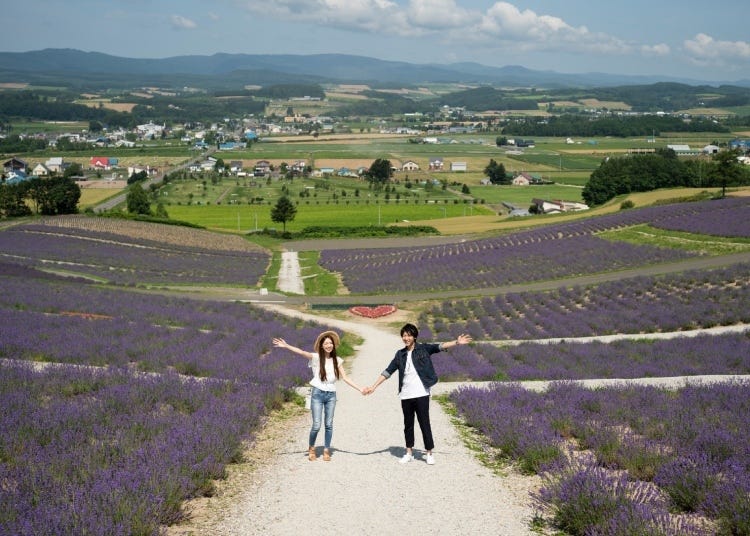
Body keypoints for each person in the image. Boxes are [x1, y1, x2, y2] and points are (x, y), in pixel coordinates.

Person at [364, 323, 472, 465]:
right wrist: (373, 386)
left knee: (424, 423)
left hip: (421, 393)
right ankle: (409, 452)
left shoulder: (424, 349)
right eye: (404, 335)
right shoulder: (400, 354)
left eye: (409, 335)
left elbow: (440, 346)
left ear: (414, 336)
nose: (406, 338)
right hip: (406, 394)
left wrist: (456, 342)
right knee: (408, 424)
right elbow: (388, 371)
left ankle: (429, 453)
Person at [272, 330, 366, 461]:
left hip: (331, 395)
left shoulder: (337, 360)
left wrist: (360, 388)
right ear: (322, 346)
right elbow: (301, 352)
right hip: (317, 393)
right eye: (326, 343)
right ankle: (311, 448)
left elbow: (345, 378)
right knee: (316, 424)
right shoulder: (316, 357)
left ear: (333, 345)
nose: (329, 345)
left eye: (330, 343)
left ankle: (326, 450)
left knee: (329, 424)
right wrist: (287, 346)